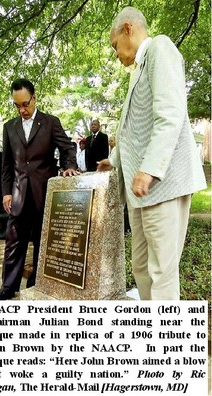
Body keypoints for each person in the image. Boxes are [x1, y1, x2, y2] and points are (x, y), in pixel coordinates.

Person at [97, 7, 206, 300]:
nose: (116, 53)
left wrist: (149, 169)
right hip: (141, 193)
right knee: (142, 267)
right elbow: (134, 131)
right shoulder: (138, 70)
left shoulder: (161, 48)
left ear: (128, 29)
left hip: (163, 184)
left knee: (161, 272)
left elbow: (169, 114)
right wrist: (114, 160)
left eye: (114, 45)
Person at [0, 78, 78, 300]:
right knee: (13, 244)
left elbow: (68, 148)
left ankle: (35, 285)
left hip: (44, 195)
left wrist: (69, 167)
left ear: (34, 98)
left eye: (26, 103)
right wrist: (6, 192)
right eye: (17, 105)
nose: (23, 109)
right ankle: (8, 288)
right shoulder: (9, 127)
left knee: (42, 243)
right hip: (18, 196)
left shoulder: (50, 122)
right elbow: (7, 165)